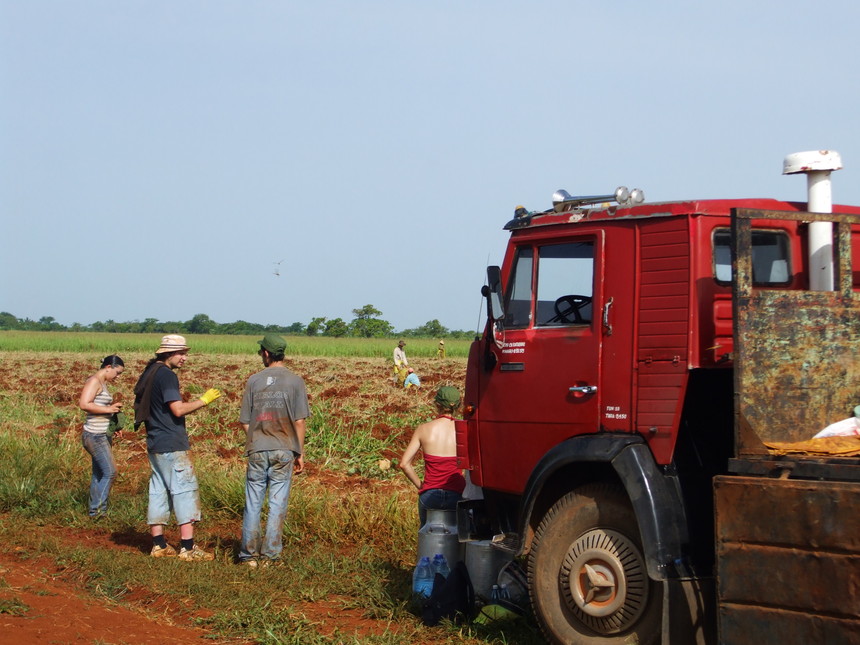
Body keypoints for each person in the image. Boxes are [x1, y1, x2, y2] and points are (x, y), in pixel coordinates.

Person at [133, 334, 222, 561]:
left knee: (158, 490)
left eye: (185, 353)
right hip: (171, 442)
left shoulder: (150, 371)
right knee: (185, 491)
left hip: (154, 441)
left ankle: (159, 545)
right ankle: (188, 548)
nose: (184, 358)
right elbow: (178, 409)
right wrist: (205, 400)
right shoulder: (167, 376)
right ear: (168, 354)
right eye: (181, 353)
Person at [238, 334, 309, 567]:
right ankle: (270, 555)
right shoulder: (296, 381)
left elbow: (245, 421)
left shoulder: (254, 381)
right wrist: (299, 452)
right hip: (285, 449)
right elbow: (299, 421)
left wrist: (257, 436)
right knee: (277, 503)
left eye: (261, 352)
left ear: (266, 353)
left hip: (257, 449)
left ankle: (249, 556)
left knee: (253, 502)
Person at [398, 386, 466, 526]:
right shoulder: (464, 430)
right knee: (457, 541)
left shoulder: (423, 429)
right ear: (458, 405)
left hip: (430, 495)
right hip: (457, 494)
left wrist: (422, 487)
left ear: (437, 404)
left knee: (428, 539)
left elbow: (404, 464)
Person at [78, 354, 125, 518]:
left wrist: (112, 421)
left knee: (99, 473)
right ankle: (98, 511)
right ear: (108, 367)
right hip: (95, 435)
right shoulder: (94, 382)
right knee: (110, 472)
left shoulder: (102, 383)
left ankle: (95, 512)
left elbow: (96, 405)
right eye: (117, 373)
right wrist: (109, 410)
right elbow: (84, 404)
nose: (117, 377)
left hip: (101, 433)